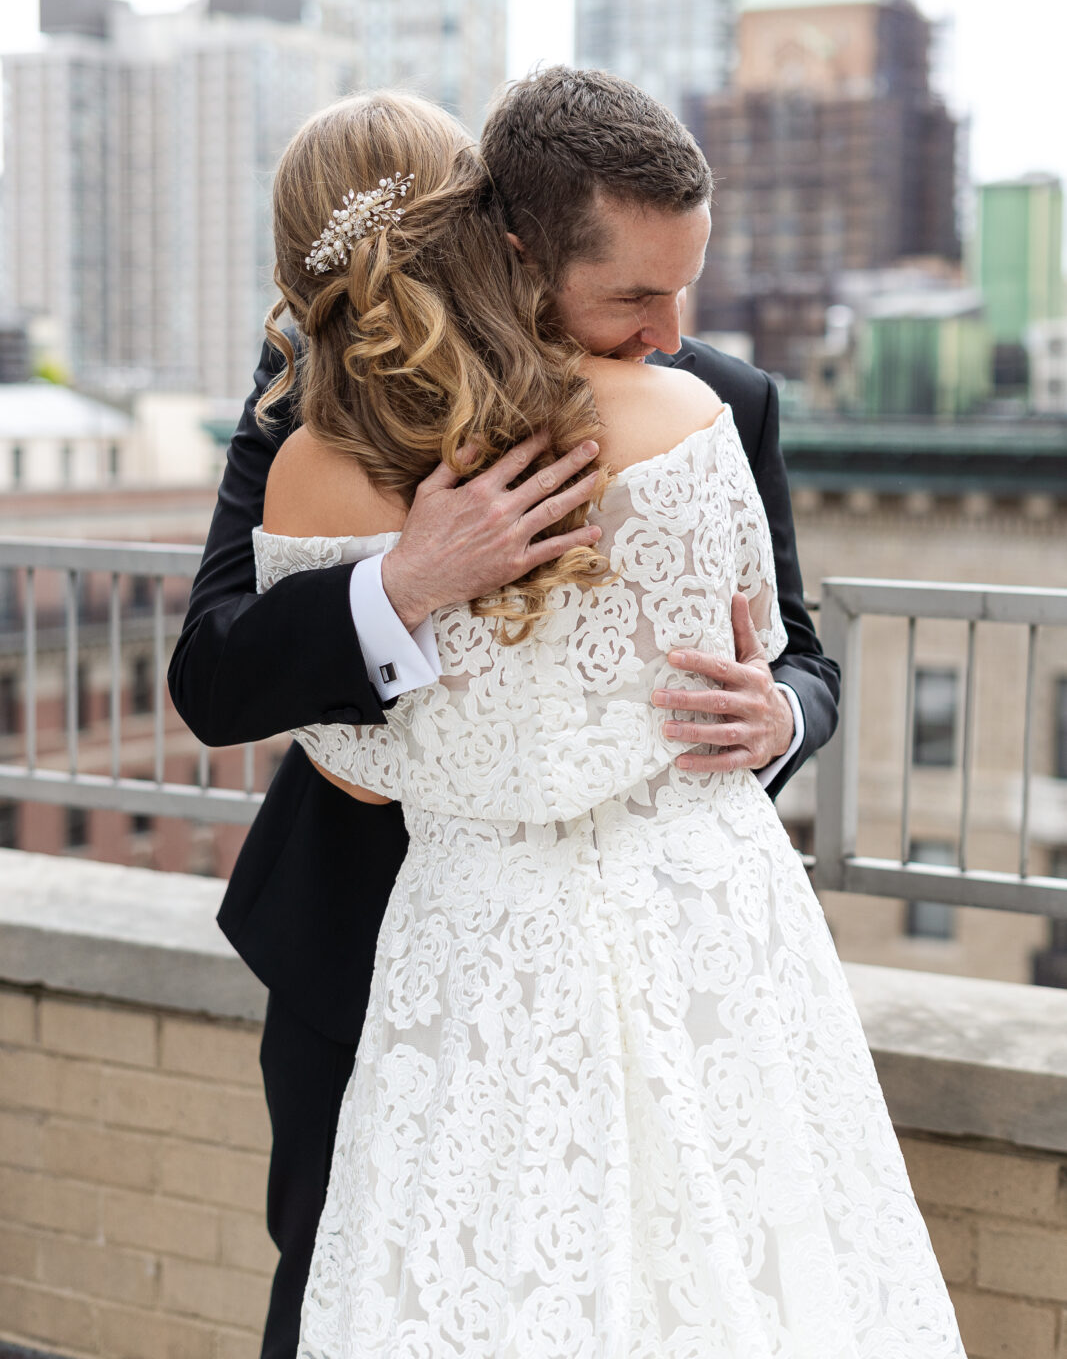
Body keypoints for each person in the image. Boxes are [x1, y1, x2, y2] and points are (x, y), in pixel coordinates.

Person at [250, 87, 966, 1355]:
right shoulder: (310, 410)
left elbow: (784, 651)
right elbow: (218, 671)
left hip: (547, 923)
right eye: (635, 298)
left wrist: (775, 717)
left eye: (684, 287)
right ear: (512, 245)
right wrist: (404, 583)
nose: (670, 330)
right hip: (400, 950)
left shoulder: (713, 393)